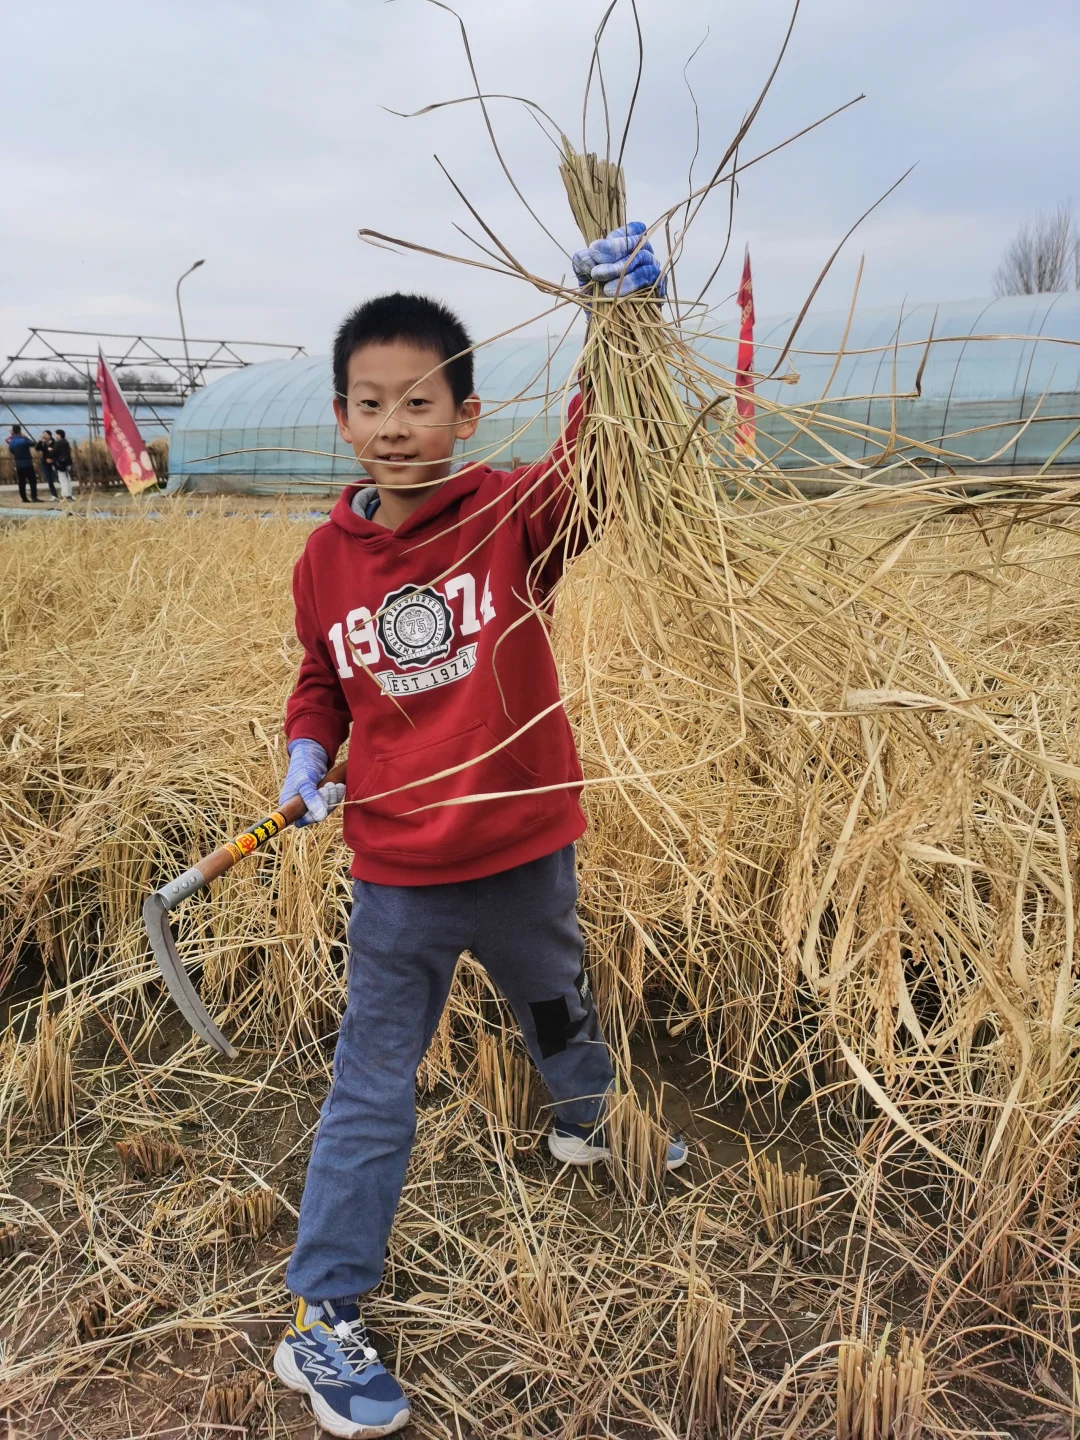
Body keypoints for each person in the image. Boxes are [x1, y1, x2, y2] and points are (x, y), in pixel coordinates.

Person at [272, 224, 672, 1439]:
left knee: (555, 994)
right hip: (397, 872)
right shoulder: (325, 561)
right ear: (342, 418)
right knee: (371, 1085)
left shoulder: (509, 517)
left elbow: (606, 460)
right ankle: (322, 1315)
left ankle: (586, 1119)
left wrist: (624, 328)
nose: (395, 426)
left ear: (466, 414)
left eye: (420, 402)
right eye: (371, 404)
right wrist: (307, 752)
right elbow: (322, 679)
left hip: (525, 844)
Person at [6, 425, 40, 503]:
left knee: (21, 482)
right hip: (27, 463)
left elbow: (11, 451)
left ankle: (24, 498)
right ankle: (34, 497)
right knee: (32, 480)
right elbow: (33, 444)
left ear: (13, 431)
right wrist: (25, 437)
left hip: (18, 463)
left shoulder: (12, 441)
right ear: (20, 431)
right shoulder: (24, 440)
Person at [35, 429, 59, 499]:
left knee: (58, 477)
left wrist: (52, 459)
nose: (44, 436)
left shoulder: (54, 442)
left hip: (53, 461)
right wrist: (40, 441)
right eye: (43, 434)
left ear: (50, 435)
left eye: (45, 434)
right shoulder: (42, 442)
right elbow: (37, 448)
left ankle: (65, 492)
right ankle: (54, 494)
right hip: (45, 462)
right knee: (49, 479)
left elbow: (56, 452)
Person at [53, 429, 76, 500]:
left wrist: (51, 451)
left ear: (59, 435)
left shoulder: (58, 443)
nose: (55, 436)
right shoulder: (66, 442)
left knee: (63, 479)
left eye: (56, 434)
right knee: (67, 478)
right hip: (67, 462)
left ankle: (66, 494)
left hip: (61, 463)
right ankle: (67, 493)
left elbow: (55, 452)